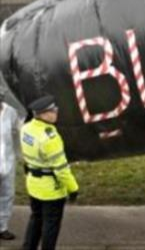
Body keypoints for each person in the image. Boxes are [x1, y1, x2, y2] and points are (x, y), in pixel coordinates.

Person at [20, 95, 79, 250]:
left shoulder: (26, 128)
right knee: (50, 226)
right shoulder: (50, 138)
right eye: (53, 110)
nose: (56, 112)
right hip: (51, 190)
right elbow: (61, 169)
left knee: (35, 219)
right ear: (44, 114)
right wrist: (73, 188)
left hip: (33, 185)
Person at [0, 88, 22, 241]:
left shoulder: (10, 112)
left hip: (7, 161)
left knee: (7, 195)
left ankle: (2, 227)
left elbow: (16, 133)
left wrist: (19, 155)